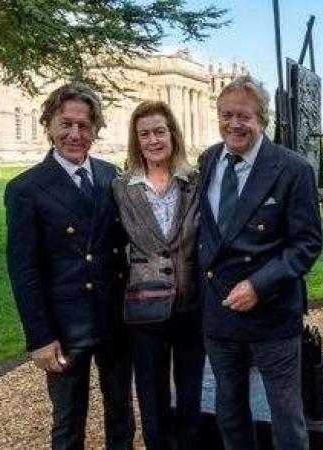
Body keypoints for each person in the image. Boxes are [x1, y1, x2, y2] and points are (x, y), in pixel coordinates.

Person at [5, 82, 134, 449]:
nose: (75, 134)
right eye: (66, 124)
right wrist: (40, 337)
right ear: (48, 124)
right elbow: (24, 270)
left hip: (114, 318)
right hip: (65, 326)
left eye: (84, 126)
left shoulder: (112, 176)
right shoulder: (26, 188)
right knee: (68, 419)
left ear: (95, 130)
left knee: (121, 411)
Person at [197, 75, 322, 450]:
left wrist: (259, 285)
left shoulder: (293, 169)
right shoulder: (207, 161)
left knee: (285, 413)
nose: (234, 124)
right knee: (229, 409)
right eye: (226, 115)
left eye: (244, 117)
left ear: (262, 120)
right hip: (219, 311)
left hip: (271, 311)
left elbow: (307, 244)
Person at [112, 100, 203, 450]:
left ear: (173, 134)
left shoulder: (195, 181)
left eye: (159, 132)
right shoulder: (122, 187)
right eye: (144, 134)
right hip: (144, 308)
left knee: (191, 394)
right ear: (137, 140)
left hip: (191, 305)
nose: (153, 140)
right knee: (151, 396)